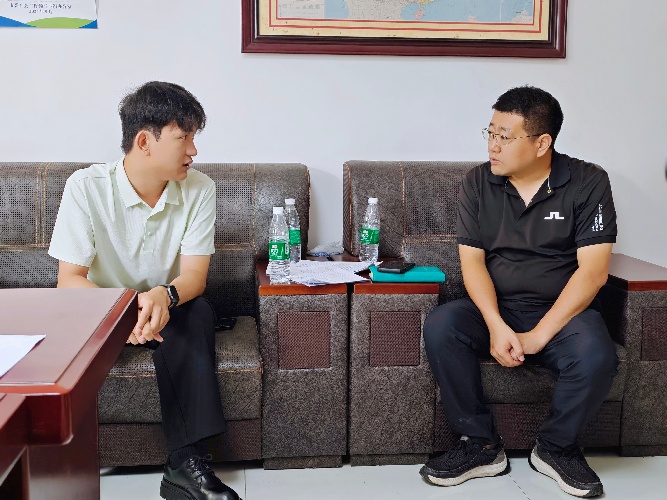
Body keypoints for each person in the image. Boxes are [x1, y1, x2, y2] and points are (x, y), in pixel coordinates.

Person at [420, 86, 618, 498]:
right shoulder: (479, 182)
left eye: (505, 137)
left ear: (542, 143)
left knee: (597, 354)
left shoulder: (588, 181)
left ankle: (556, 448)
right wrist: (495, 325)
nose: (493, 146)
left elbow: (594, 272)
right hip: (499, 306)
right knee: (442, 324)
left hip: (565, 312)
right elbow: (473, 263)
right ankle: (480, 446)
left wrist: (539, 335)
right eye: (490, 133)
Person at [48, 81, 241, 500]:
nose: (193, 151)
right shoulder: (86, 187)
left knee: (198, 312)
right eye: (183, 138)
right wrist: (126, 310)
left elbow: (194, 276)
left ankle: (185, 467)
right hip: (103, 310)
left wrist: (162, 297)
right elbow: (70, 280)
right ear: (144, 142)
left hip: (169, 307)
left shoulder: (200, 188)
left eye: (194, 138)